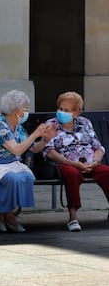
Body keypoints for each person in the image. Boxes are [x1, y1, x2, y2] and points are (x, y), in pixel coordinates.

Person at [0, 90, 56, 232]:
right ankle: (8, 215)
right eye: (25, 109)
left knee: (26, 176)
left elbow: (34, 149)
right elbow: (17, 150)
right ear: (16, 111)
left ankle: (1, 215)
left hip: (10, 164)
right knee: (11, 178)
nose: (27, 112)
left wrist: (45, 139)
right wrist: (36, 133)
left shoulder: (18, 127)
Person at [43, 91, 109, 232]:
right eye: (60, 109)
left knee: (106, 172)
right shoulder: (51, 125)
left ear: (77, 112)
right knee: (71, 173)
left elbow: (98, 147)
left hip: (89, 162)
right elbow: (49, 152)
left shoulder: (85, 123)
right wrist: (71, 163)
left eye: (66, 110)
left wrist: (95, 162)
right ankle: (73, 216)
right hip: (65, 162)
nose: (61, 112)